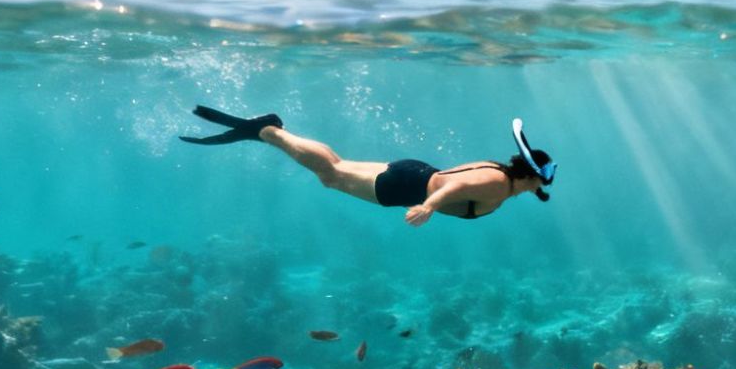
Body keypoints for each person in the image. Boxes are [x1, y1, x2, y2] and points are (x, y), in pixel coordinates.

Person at [179, 106, 555, 226]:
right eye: (542, 180)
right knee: (330, 175)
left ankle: (276, 131)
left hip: (414, 172)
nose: (543, 187)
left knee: (337, 164)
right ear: (531, 175)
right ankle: (270, 132)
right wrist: (428, 207)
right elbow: (454, 188)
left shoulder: (497, 171)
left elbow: (461, 178)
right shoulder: (499, 188)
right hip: (407, 189)